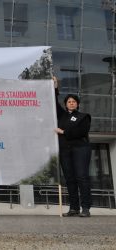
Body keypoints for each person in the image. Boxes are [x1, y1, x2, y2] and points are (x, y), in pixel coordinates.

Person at [53, 77, 92, 217]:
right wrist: (55, 87)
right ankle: (74, 208)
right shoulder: (62, 116)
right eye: (69, 101)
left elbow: (81, 132)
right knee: (69, 179)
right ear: (66, 104)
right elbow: (54, 103)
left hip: (81, 149)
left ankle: (86, 208)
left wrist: (63, 132)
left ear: (77, 104)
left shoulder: (84, 116)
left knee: (81, 177)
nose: (71, 103)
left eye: (74, 101)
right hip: (65, 151)